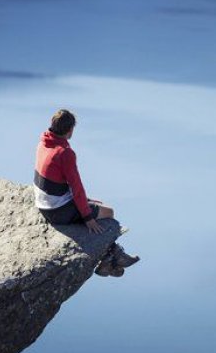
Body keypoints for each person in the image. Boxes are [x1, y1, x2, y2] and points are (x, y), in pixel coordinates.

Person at [34, 109, 139, 276]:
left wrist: (88, 203)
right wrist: (88, 218)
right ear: (70, 130)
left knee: (96, 204)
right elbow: (76, 187)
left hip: (44, 204)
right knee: (108, 212)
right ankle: (109, 260)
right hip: (57, 211)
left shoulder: (44, 143)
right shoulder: (65, 153)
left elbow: (57, 181)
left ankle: (113, 259)